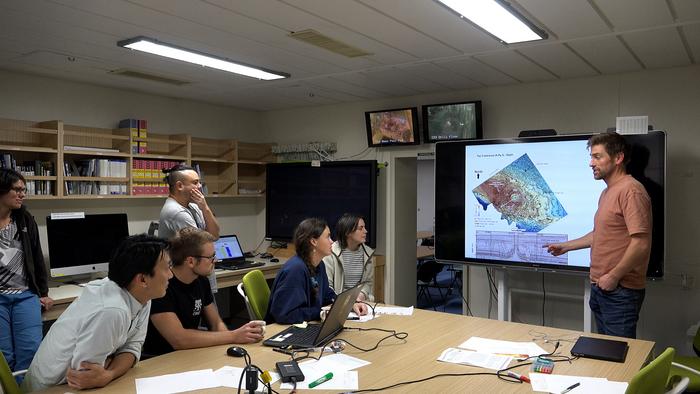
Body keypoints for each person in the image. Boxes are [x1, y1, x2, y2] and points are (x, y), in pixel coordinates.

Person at [21, 235, 172, 391]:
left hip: (74, 383)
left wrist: (109, 373)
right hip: (51, 389)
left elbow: (132, 349)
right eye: (167, 268)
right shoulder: (112, 310)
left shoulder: (142, 296)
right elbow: (85, 376)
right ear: (142, 280)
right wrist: (110, 365)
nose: (171, 275)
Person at [545, 132, 651, 338]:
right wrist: (566, 246)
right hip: (602, 287)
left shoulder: (631, 191)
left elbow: (641, 244)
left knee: (619, 357)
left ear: (618, 158)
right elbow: (600, 234)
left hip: (620, 290)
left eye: (597, 157)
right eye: (591, 157)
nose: (591, 163)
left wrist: (614, 276)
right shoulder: (607, 192)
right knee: (607, 353)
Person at [143, 228, 264, 356]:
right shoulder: (163, 286)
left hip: (192, 353)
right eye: (211, 257)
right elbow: (178, 339)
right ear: (191, 261)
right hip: (163, 358)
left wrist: (231, 345)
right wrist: (233, 336)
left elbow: (216, 323)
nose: (215, 261)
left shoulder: (201, 280)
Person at [0, 169, 53, 380]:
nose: (22, 194)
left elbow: (37, 259)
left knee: (30, 352)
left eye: (24, 190)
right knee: (4, 357)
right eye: (17, 189)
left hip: (25, 295)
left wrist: (43, 291)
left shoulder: (24, 219)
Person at [265, 218, 368, 324]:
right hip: (281, 331)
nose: (332, 241)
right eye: (328, 237)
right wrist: (320, 312)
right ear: (313, 241)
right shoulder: (295, 270)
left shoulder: (319, 265)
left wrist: (349, 304)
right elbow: (285, 315)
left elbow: (327, 295)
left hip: (305, 326)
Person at [159, 164, 220, 296]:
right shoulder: (176, 212)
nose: (199, 186)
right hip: (185, 280)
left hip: (198, 276)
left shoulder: (193, 206)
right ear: (180, 186)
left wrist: (205, 207)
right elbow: (201, 245)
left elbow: (215, 235)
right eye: (195, 182)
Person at [323, 213, 375, 302]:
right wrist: (345, 301)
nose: (365, 231)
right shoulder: (330, 252)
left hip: (361, 302)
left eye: (365, 227)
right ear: (348, 232)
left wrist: (361, 295)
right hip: (337, 302)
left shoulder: (368, 253)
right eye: (361, 228)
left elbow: (368, 283)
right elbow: (328, 286)